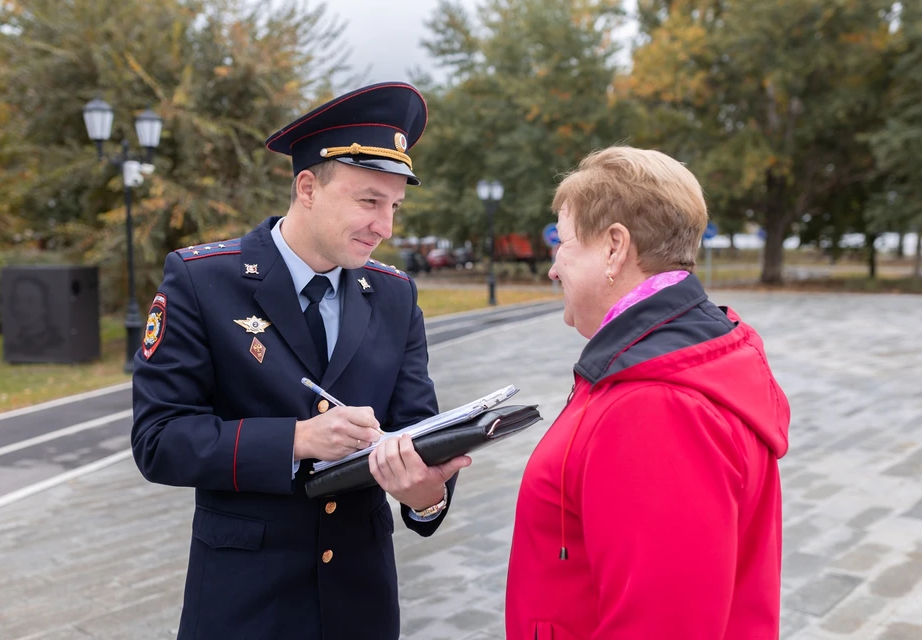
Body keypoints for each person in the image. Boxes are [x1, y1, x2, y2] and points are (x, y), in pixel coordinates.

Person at [131, 82, 470, 640]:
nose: (384, 227)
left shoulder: (393, 295)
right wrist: (298, 440)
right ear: (308, 187)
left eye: (394, 207)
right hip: (245, 604)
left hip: (361, 607)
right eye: (369, 201)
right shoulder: (202, 280)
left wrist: (426, 495)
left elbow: (417, 428)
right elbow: (160, 439)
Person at [505, 146, 790, 639]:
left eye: (564, 241)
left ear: (615, 246)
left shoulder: (655, 405)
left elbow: (662, 624)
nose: (553, 267)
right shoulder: (665, 362)